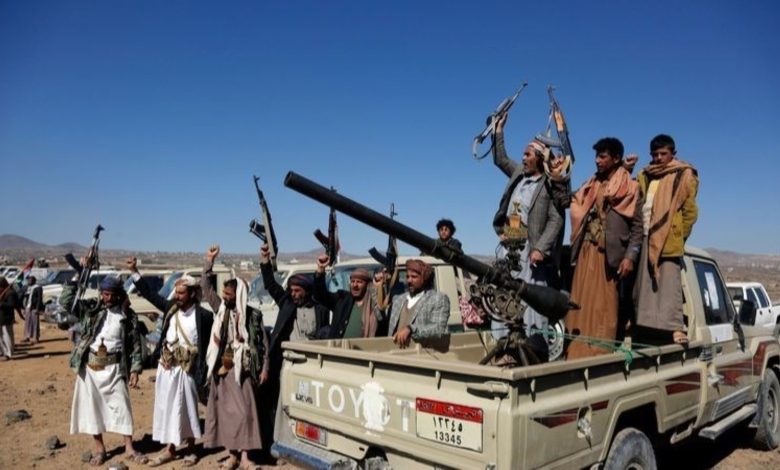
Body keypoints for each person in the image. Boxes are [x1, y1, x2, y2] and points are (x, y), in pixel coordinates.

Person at [127, 257, 213, 467]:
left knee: (187, 409)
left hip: (187, 369)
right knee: (167, 408)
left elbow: (209, 345)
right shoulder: (171, 308)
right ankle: (170, 449)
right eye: (176, 293)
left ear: (192, 294)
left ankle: (191, 448)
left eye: (181, 293)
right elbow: (150, 294)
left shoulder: (203, 316)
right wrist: (134, 271)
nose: (177, 296)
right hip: (166, 368)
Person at [563, 138, 640, 359]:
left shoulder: (631, 188)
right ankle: (574, 354)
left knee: (603, 307)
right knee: (579, 303)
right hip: (586, 252)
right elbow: (567, 200)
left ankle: (599, 355)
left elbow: (637, 228)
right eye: (596, 156)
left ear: (616, 159)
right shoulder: (591, 185)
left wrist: (630, 257)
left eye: (602, 156)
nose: (597, 160)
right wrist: (558, 176)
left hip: (609, 257)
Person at [61, 272, 147, 466]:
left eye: (110, 294)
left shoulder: (128, 316)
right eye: (104, 294)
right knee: (93, 409)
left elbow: (135, 344)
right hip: (91, 369)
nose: (106, 298)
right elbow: (66, 302)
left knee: (122, 407)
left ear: (118, 295)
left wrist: (135, 369)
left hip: (115, 368)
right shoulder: (91, 309)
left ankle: (129, 448)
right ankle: (100, 449)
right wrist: (78, 275)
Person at [491, 112, 565, 337]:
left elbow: (556, 219)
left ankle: (533, 342)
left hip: (531, 252)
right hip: (510, 245)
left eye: (527, 154)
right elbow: (500, 159)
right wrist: (499, 130)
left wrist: (541, 248)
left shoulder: (549, 184)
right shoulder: (518, 174)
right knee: (505, 292)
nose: (523, 158)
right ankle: (505, 340)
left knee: (530, 296)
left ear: (540, 158)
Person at [201, 245, 269, 470]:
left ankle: (246, 457)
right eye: (224, 294)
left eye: (228, 295)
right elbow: (206, 288)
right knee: (226, 415)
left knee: (245, 414)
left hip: (244, 371)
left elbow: (263, 344)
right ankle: (232, 456)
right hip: (223, 369)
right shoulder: (221, 309)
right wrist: (209, 261)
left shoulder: (253, 316)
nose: (224, 297)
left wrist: (265, 368)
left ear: (238, 295)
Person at [630, 134, 698, 345]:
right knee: (644, 285)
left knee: (669, 285)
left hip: (668, 237)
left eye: (663, 153)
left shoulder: (684, 174)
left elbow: (690, 213)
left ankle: (675, 328)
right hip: (646, 234)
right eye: (655, 154)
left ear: (673, 153)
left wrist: (677, 235)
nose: (658, 158)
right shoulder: (646, 174)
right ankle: (643, 324)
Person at [259, 243, 329, 445]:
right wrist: (265, 260)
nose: (294, 294)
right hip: (289, 364)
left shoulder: (320, 309)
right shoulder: (287, 303)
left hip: (311, 365)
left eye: (298, 291)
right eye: (291, 290)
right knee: (286, 402)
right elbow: (270, 284)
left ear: (306, 291)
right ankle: (283, 440)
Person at [313, 255, 383, 339]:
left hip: (364, 347)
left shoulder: (373, 303)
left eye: (359, 282)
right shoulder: (341, 300)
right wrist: (320, 270)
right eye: (352, 281)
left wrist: (379, 286)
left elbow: (382, 315)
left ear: (367, 285)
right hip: (339, 347)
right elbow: (320, 295)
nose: (355, 285)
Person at [388, 259, 450, 348]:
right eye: (407, 276)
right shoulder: (398, 299)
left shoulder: (437, 299)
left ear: (424, 279)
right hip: (392, 351)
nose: (409, 280)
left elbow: (438, 328)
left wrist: (411, 329)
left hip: (420, 352)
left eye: (414, 277)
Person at [0, 277, 22, 361]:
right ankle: (3, 352)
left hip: (6, 318)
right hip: (0, 318)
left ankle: (8, 354)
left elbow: (11, 305)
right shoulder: (1, 292)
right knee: (1, 337)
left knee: (7, 336)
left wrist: (1, 304)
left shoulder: (10, 293)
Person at [22, 275, 44, 344]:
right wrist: (24, 307)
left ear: (34, 281)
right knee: (27, 322)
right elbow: (25, 297)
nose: (28, 281)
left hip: (34, 307)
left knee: (35, 323)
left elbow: (40, 298)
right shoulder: (27, 288)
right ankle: (27, 336)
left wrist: (38, 308)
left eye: (30, 280)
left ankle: (35, 337)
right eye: (28, 280)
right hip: (28, 307)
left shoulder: (38, 288)